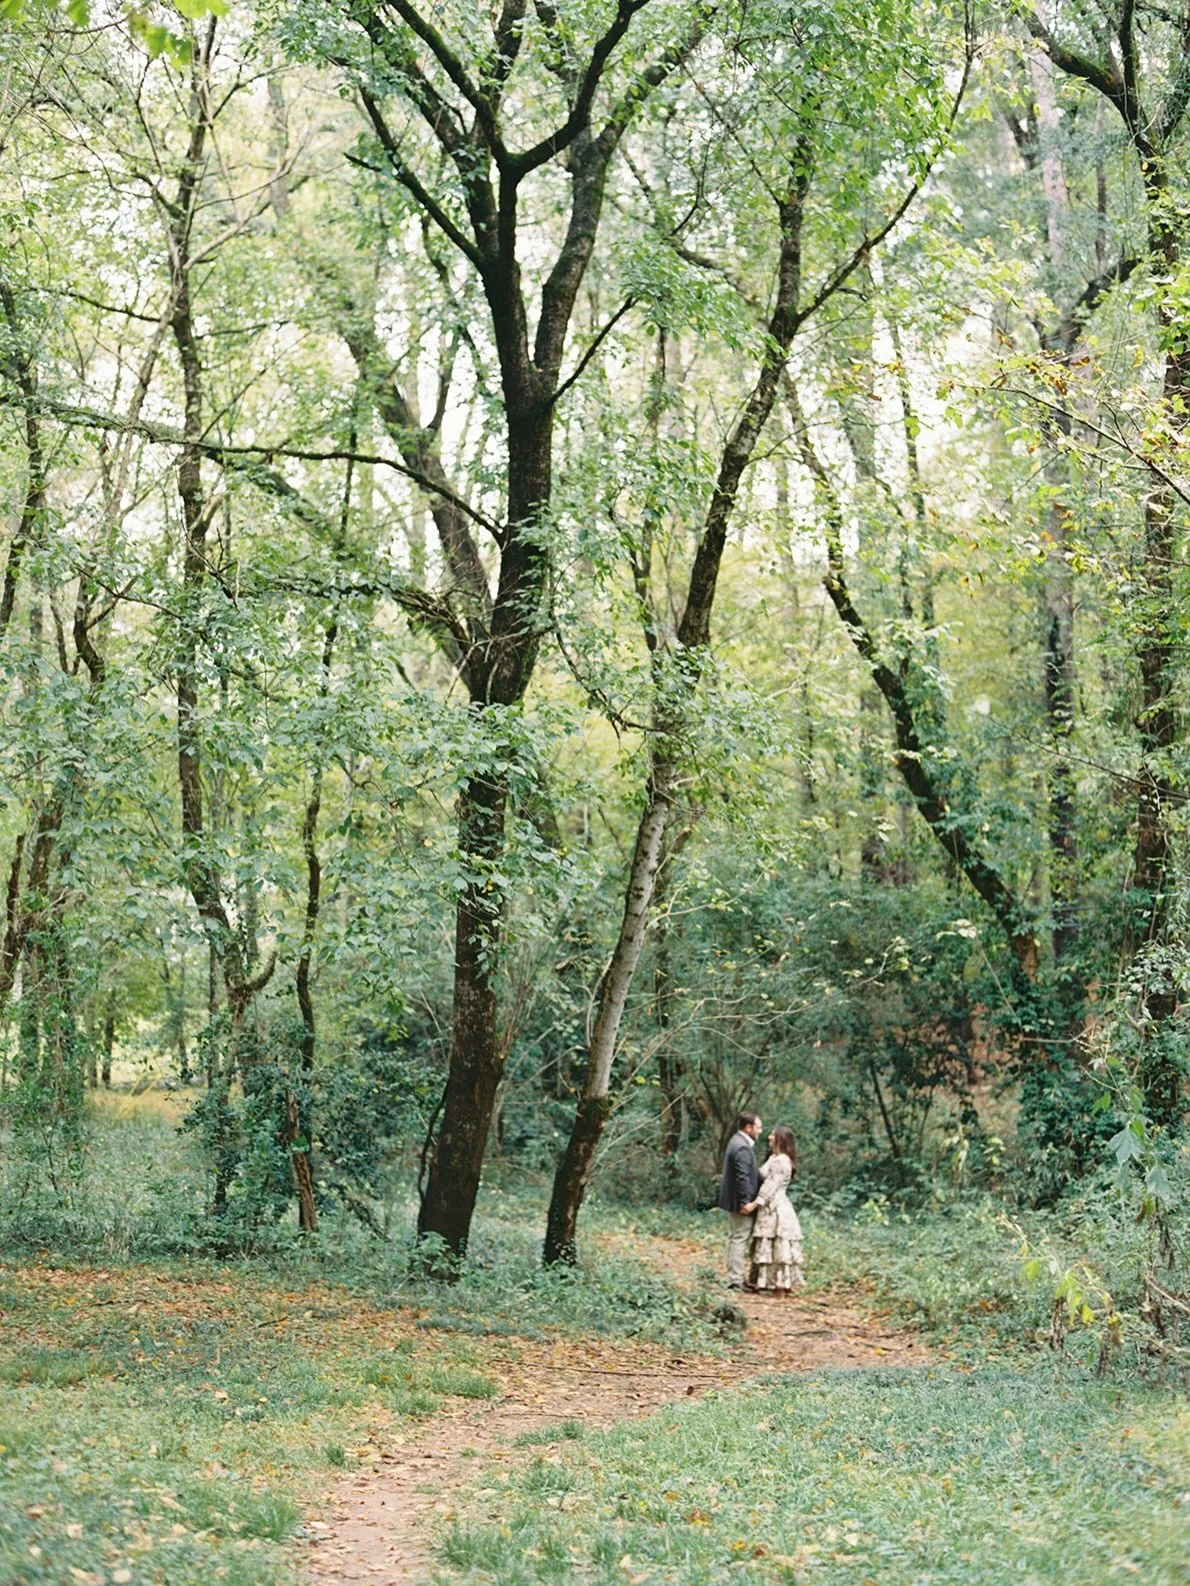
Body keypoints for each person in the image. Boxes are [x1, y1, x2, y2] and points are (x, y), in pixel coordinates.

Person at [742, 1125, 804, 1296]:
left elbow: (771, 1186)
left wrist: (755, 1204)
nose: (769, 1137)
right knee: (769, 1244)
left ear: (780, 1139)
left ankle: (781, 1286)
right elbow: (761, 1175)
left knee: (777, 1244)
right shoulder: (774, 1158)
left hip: (775, 1206)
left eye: (772, 1135)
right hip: (770, 1205)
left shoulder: (782, 1161)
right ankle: (772, 1283)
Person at [718, 1109, 762, 1290]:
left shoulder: (736, 1141)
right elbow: (742, 1176)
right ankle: (735, 1279)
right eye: (758, 1127)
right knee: (739, 1238)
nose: (761, 1131)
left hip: (734, 1200)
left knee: (735, 1237)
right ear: (748, 1127)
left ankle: (733, 1277)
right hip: (740, 1202)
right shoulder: (742, 1146)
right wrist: (745, 1202)